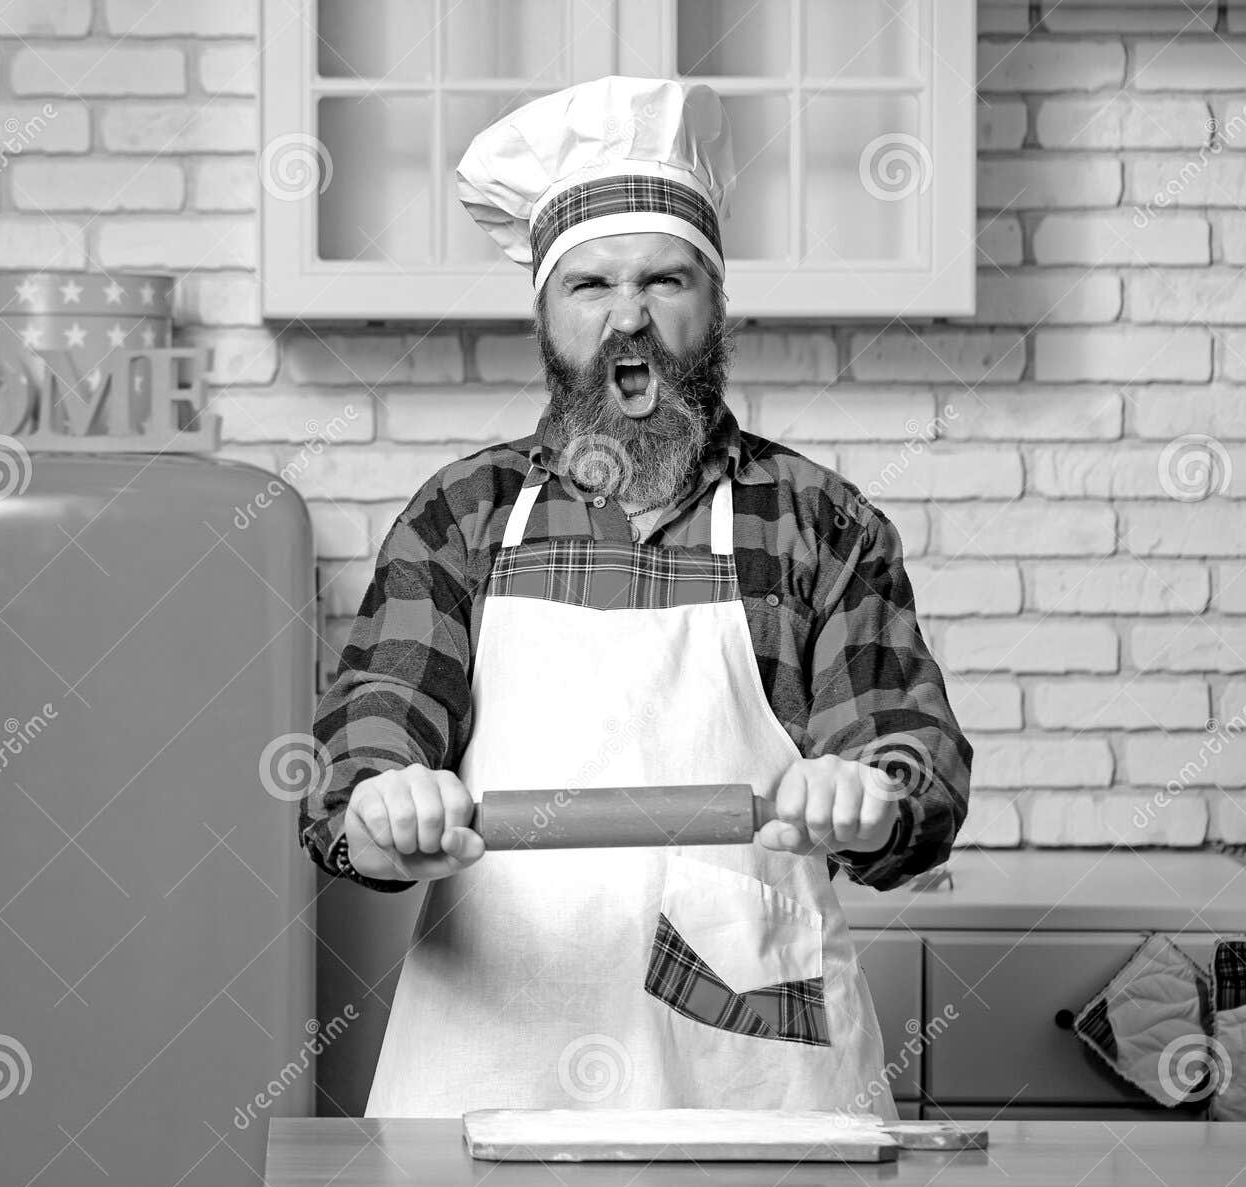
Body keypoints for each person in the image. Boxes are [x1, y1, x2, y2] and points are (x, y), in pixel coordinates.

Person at [297, 76, 972, 1119]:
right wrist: (384, 802)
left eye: (664, 279)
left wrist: (869, 795)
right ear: (545, 318)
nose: (629, 319)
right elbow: (366, 742)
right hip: (496, 1054)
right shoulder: (462, 516)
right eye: (590, 285)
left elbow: (904, 751)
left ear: (715, 306)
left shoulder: (817, 522)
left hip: (754, 1070)